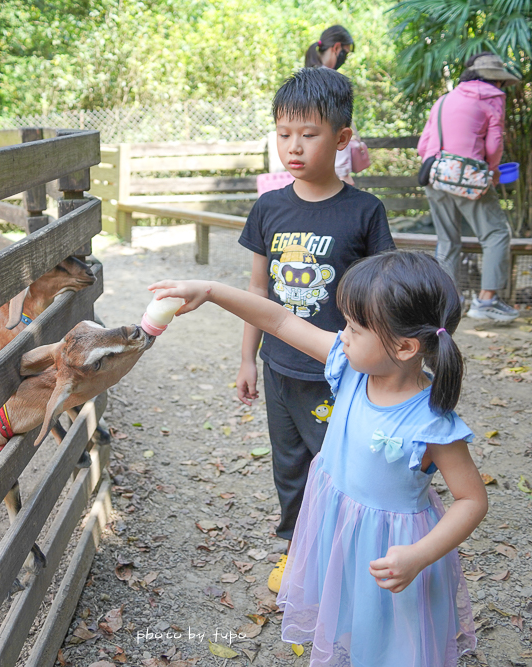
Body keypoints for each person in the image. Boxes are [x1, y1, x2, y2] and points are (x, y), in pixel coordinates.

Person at [149, 250, 486, 666]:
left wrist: (419, 556)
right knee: (348, 617)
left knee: (394, 641)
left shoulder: (432, 423)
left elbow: (471, 500)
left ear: (403, 347)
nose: (342, 334)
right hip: (337, 528)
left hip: (393, 553)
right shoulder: (350, 365)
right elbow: (279, 320)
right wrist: (211, 291)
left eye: (355, 327)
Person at [238, 67, 395, 595]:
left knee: (338, 466)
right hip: (279, 368)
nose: (294, 147)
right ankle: (295, 552)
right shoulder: (268, 207)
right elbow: (259, 294)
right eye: (284, 134)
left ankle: (343, 556)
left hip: (339, 372)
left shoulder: (365, 212)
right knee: (289, 467)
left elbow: (382, 298)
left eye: (309, 134)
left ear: (342, 138)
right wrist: (246, 360)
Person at [418, 51, 521, 321]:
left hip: (434, 174)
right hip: (467, 179)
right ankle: (486, 301)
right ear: (495, 80)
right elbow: (494, 145)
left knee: (447, 241)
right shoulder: (493, 98)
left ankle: (448, 303)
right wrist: (492, 170)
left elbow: (422, 146)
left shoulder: (443, 100)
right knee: (496, 234)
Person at [302, 25, 369, 185]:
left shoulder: (305, 78)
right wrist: (344, 173)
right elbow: (335, 129)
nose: (344, 57)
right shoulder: (330, 82)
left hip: (310, 167)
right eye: (345, 53)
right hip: (333, 170)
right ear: (336, 48)